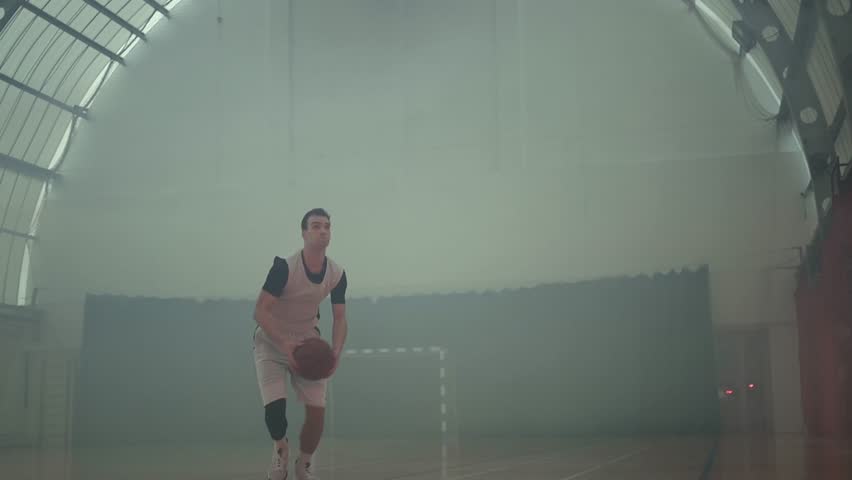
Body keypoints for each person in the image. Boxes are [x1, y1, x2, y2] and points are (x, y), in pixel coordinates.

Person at [252, 208, 348, 480]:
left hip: (308, 341)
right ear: (304, 233)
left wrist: (336, 352)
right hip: (271, 341)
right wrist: (284, 344)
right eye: (316, 226)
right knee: (275, 413)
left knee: (317, 417)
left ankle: (302, 465)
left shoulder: (337, 273)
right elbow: (260, 311)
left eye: (327, 226)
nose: (323, 231)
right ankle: (280, 449)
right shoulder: (284, 266)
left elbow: (340, 318)